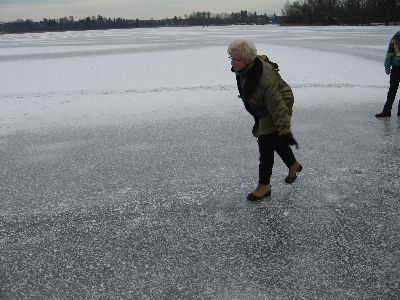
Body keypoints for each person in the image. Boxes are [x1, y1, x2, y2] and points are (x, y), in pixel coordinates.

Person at [228, 39, 302, 201]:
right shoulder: (247, 66)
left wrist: (285, 131)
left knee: (266, 142)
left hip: (279, 101)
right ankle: (293, 165)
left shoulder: (264, 79)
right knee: (272, 139)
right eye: (231, 58)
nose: (233, 62)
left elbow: (278, 107)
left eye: (237, 59)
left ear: (247, 59)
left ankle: (264, 186)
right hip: (264, 105)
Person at [376, 31, 400, 118]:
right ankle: (387, 111)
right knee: (392, 90)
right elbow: (390, 53)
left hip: (396, 68)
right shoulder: (397, 36)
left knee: (392, 90)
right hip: (396, 68)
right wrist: (387, 66)